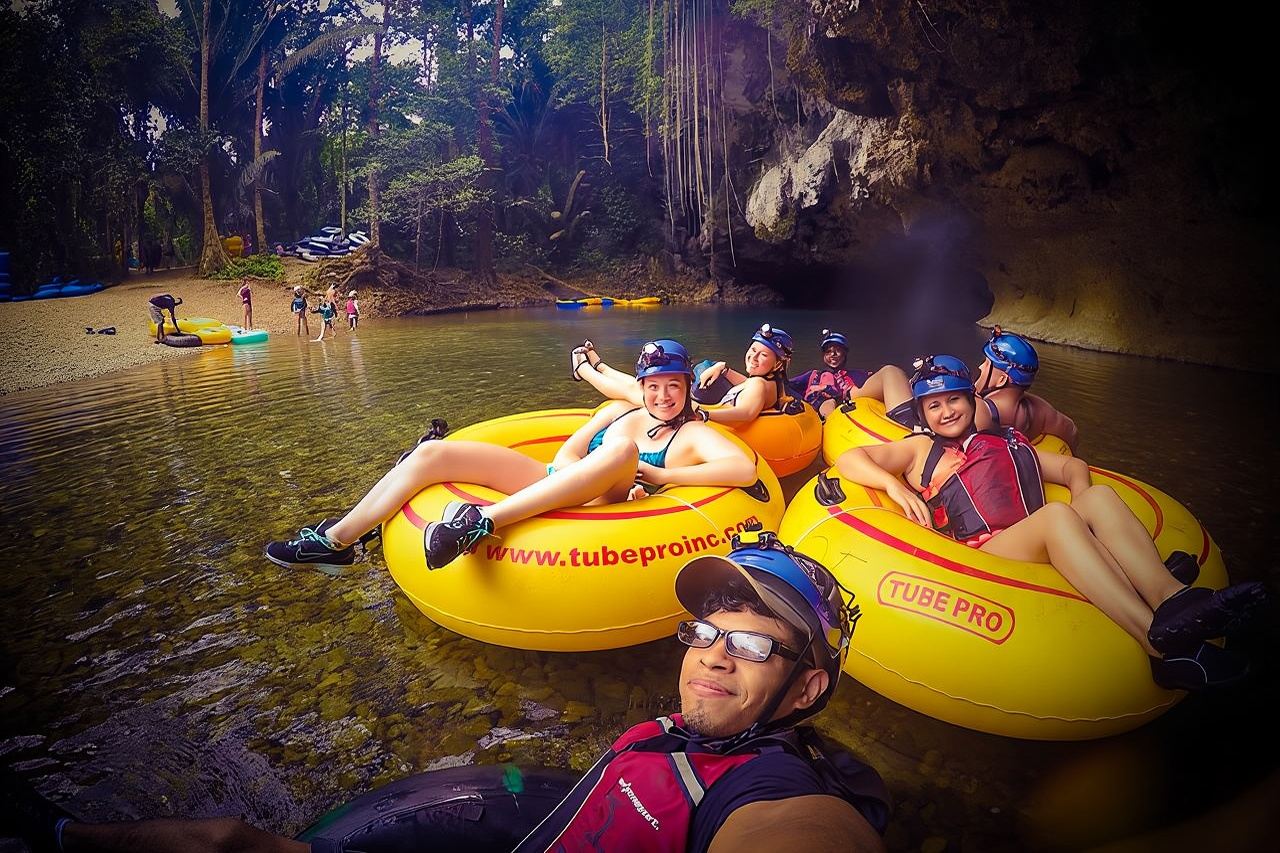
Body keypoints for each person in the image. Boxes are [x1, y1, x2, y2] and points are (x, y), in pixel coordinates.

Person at [6, 532, 888, 853]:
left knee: (228, 838)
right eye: (703, 630)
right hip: (549, 823)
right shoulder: (701, 734)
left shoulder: (775, 791)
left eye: (748, 642)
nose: (710, 656)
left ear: (807, 685)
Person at [834, 355, 1267, 690]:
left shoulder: (1006, 443)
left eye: (954, 399)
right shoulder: (918, 449)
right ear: (922, 414)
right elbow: (851, 458)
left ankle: (1172, 598)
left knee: (1095, 496)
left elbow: (1072, 469)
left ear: (971, 401)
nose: (946, 411)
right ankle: (1160, 646)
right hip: (989, 552)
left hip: (1041, 535)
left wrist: (1089, 520)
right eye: (933, 405)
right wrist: (897, 489)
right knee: (1057, 516)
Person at [264, 339, 760, 572]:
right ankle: (336, 540)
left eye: (673, 387)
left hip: (603, 509)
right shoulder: (620, 410)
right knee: (432, 454)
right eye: (654, 387)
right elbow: (571, 450)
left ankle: (481, 523)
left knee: (625, 451)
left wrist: (651, 471)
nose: (662, 397)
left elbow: (744, 468)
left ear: (687, 389)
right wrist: (568, 468)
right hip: (556, 480)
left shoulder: (691, 433)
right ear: (644, 386)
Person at [850, 327, 1079, 451]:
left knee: (891, 372)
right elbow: (1071, 430)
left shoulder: (980, 409)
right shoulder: (1038, 409)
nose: (980, 366)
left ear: (1001, 381)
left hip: (917, 423)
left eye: (988, 364)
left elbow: (941, 434)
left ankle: (850, 394)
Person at [573, 325, 799, 426]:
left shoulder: (759, 385)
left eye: (763, 355)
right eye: (753, 350)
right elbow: (748, 386)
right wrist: (723, 368)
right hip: (700, 408)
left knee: (637, 389)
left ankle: (584, 370)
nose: (754, 357)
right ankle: (601, 367)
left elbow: (746, 413)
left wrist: (702, 415)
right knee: (638, 385)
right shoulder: (768, 383)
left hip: (696, 410)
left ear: (778, 363)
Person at [787, 329, 872, 420]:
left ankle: (889, 414)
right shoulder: (813, 375)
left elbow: (873, 381)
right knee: (829, 401)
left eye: (837, 350)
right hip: (824, 411)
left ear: (844, 354)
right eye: (828, 352)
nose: (832, 354)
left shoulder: (857, 374)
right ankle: (831, 422)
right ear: (823, 355)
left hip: (855, 409)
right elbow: (787, 384)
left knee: (887, 370)